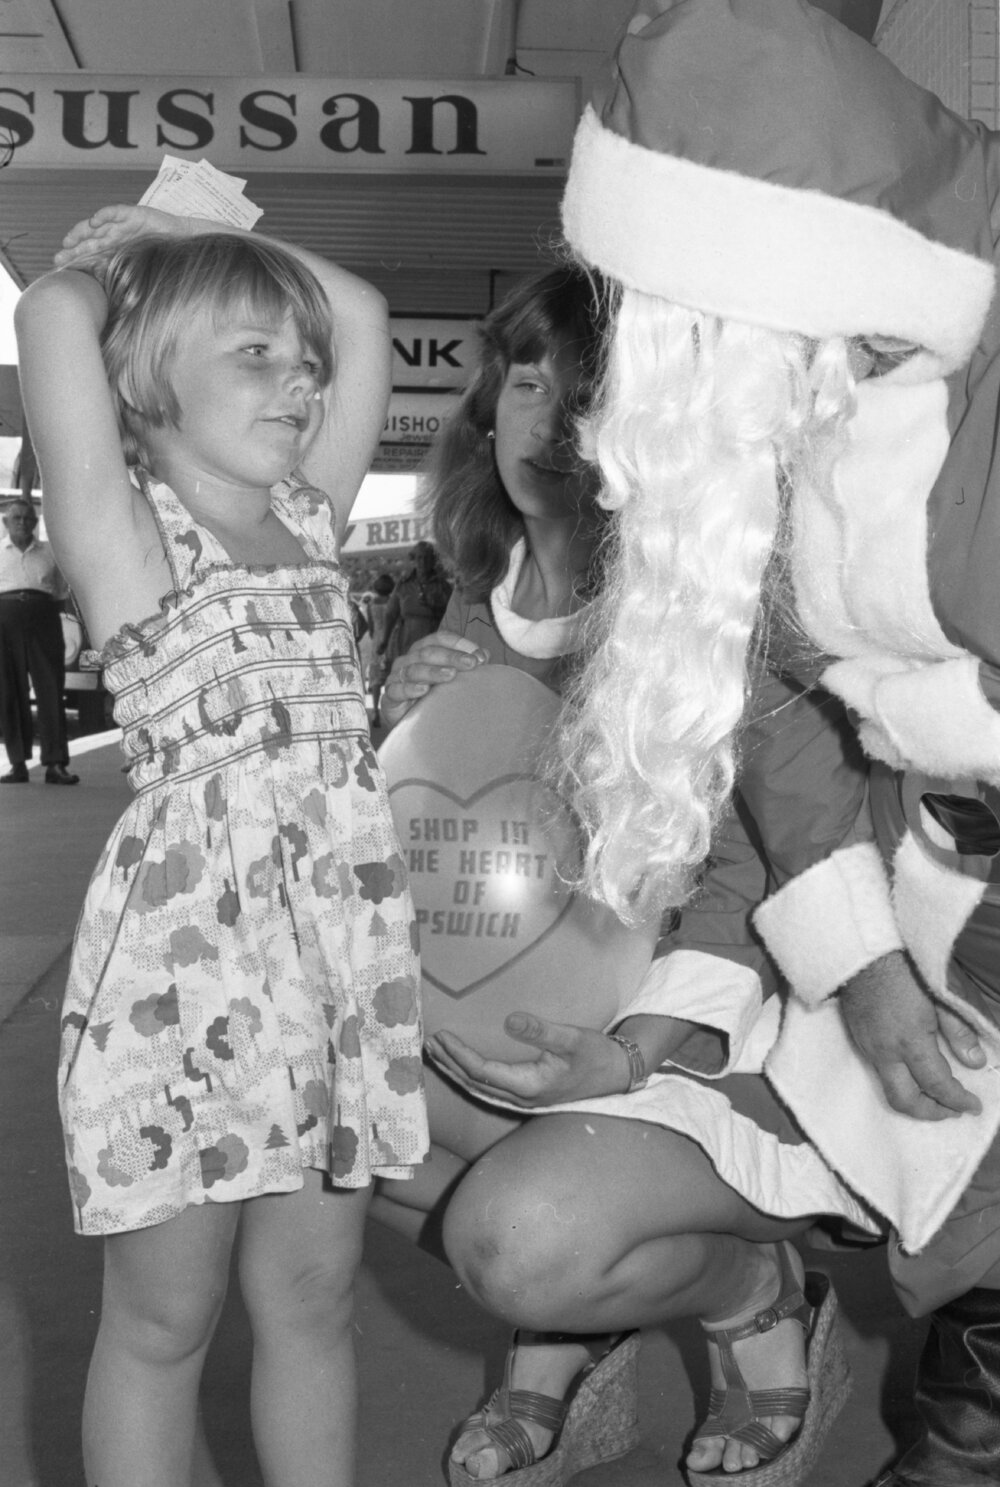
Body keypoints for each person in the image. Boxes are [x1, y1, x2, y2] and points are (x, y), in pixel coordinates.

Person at [436, 6, 1000, 1487]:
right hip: (883, 942)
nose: (627, 368)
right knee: (494, 1215)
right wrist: (859, 960)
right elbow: (774, 737)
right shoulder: (746, 444)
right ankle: (779, 1308)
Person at [373, 264, 872, 1487]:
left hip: (704, 1038)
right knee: (333, 1129)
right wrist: (390, 731)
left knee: (515, 1235)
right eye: (526, 380)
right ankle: (572, 1318)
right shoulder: (469, 596)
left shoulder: (701, 591)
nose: (549, 421)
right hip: (534, 1013)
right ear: (486, 404)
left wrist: (637, 1047)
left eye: (589, 389)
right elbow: (441, 855)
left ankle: (749, 1294)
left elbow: (761, 868)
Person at [14, 201, 428, 1487]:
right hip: (186, 980)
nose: (301, 380)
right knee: (160, 1317)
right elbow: (51, 312)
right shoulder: (127, 538)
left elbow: (356, 314)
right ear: (145, 382)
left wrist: (221, 247)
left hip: (334, 959)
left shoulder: (309, 519)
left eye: (299, 368)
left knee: (312, 1296)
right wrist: (138, 248)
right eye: (254, 355)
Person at [0, 497, 79, 784]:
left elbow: (59, 594)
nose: (23, 522)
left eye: (28, 518)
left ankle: (55, 764)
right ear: (6, 522)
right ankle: (18, 764)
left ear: (36, 523)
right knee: (9, 691)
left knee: (50, 688)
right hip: (4, 623)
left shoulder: (48, 553)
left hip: (43, 619)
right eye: (16, 518)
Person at [375, 538, 451, 674]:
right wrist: (384, 641)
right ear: (414, 560)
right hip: (406, 640)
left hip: (433, 638)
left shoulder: (443, 586)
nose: (423, 562)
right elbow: (391, 614)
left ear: (434, 560)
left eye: (427, 558)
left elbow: (452, 616)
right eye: (419, 558)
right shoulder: (403, 585)